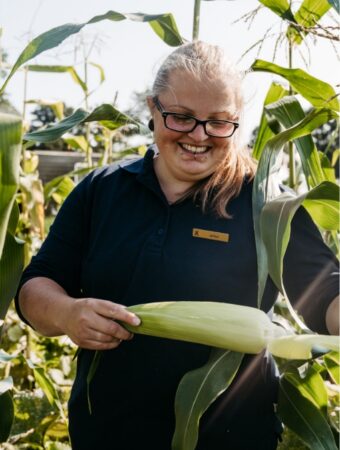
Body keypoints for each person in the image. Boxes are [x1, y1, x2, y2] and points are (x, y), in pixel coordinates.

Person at [16, 41, 339, 450]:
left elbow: (325, 292)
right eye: (181, 118)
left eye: (219, 122)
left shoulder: (268, 207)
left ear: (237, 122)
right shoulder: (100, 192)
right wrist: (66, 313)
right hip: (106, 434)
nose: (199, 136)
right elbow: (35, 287)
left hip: (232, 438)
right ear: (153, 109)